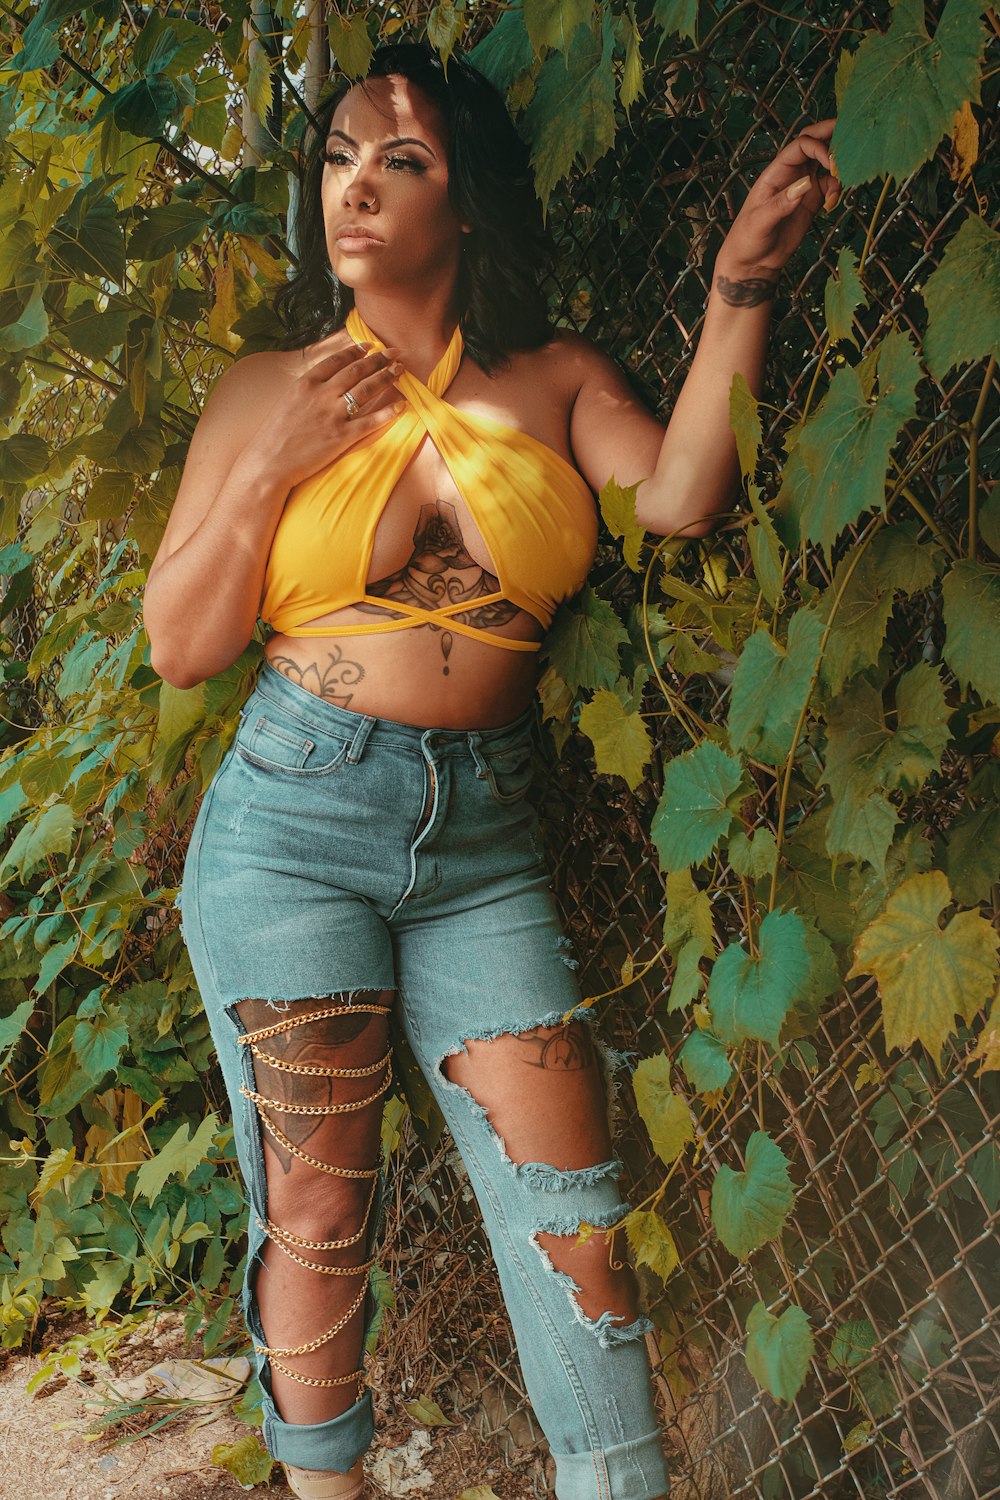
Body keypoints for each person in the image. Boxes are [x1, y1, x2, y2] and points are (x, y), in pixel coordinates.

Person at [142, 39, 839, 1500]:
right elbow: (181, 645)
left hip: (483, 842)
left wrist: (738, 290)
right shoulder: (260, 386)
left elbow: (684, 495)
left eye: (403, 161)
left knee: (572, 1210)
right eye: (338, 157)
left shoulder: (556, 377)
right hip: (293, 820)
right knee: (323, 1200)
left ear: (467, 206)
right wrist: (276, 462)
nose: (359, 188)